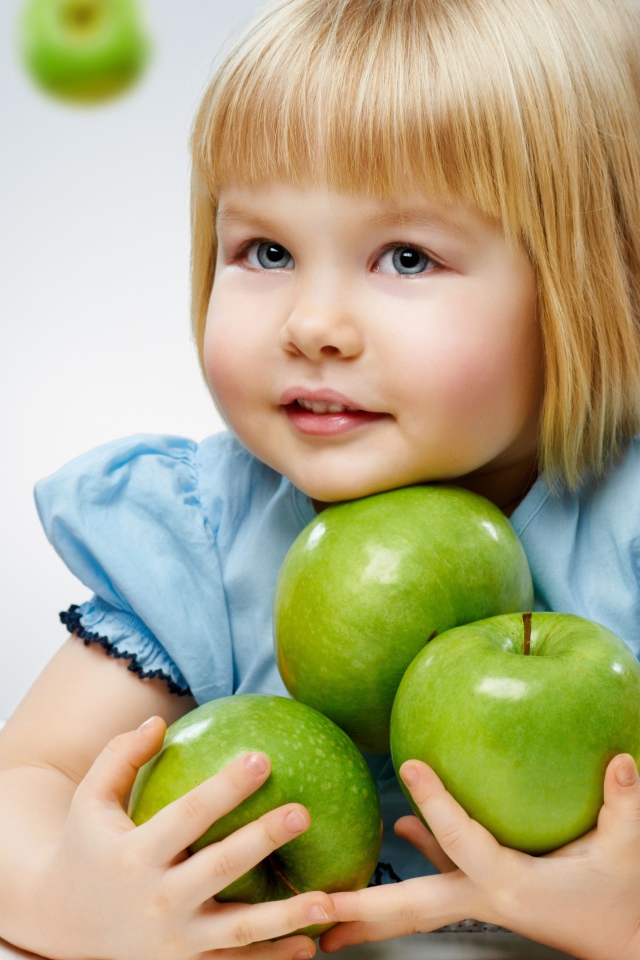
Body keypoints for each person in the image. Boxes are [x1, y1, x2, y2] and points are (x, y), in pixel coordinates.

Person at [2, 0, 640, 957]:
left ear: (587, 282)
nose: (314, 323)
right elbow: (25, 782)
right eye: (266, 251)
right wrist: (71, 903)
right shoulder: (207, 531)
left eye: (407, 257)